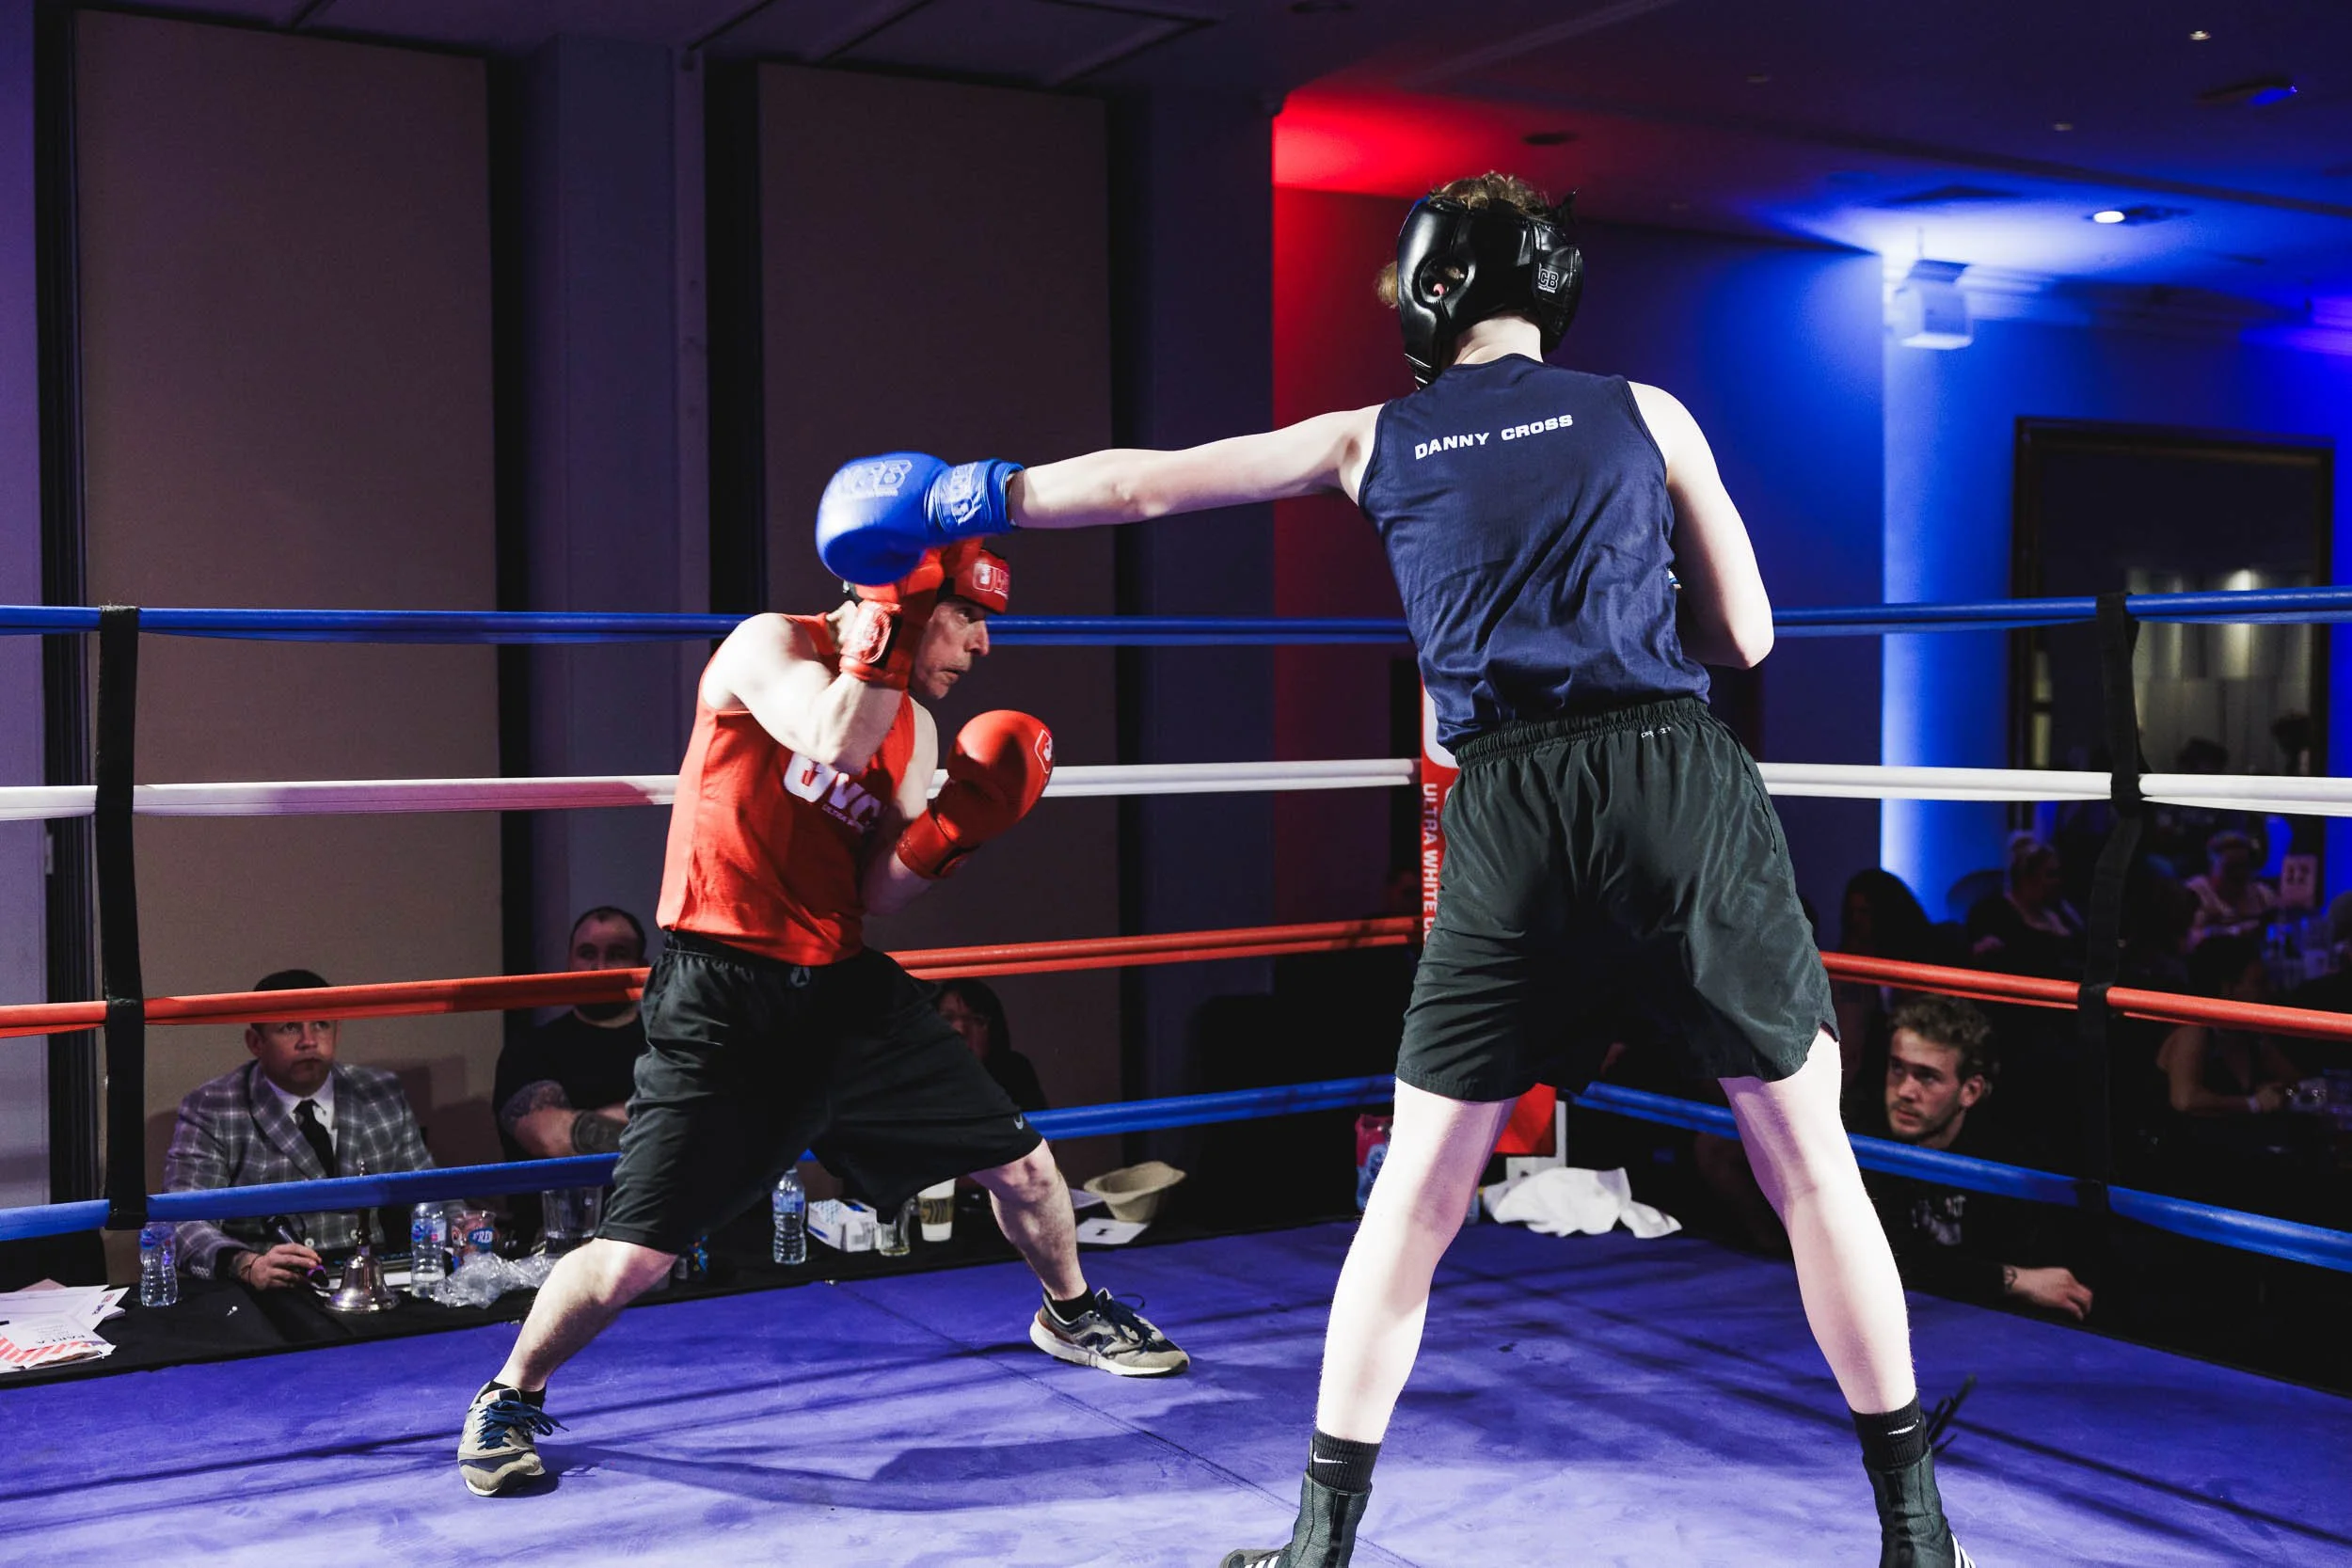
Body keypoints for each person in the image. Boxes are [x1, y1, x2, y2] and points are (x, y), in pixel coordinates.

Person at [813, 172, 1969, 1567]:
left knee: (1420, 1187)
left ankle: (1317, 1544)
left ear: (1428, 294)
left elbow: (1149, 485)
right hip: (1677, 783)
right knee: (1811, 1161)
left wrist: (968, 493)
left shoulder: (1371, 434)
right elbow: (1751, 637)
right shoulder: (1647, 409)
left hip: (1510, 806)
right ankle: (1918, 1537)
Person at [457, 540, 1188, 1499]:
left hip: (841, 987)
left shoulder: (919, 731)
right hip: (720, 996)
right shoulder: (769, 645)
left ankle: (1071, 1309)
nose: (979, 647)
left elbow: (879, 889)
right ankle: (509, 1392)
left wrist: (951, 832)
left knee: (1024, 1161)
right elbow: (831, 736)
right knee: (635, 1252)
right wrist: (883, 625)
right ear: (908, 598)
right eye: (967, 617)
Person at [163, 970, 434, 1291]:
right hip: (272, 1288)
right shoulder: (214, 1106)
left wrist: (465, 1227)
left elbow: (430, 1194)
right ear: (255, 1042)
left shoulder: (380, 1091)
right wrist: (246, 1264)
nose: (309, 1041)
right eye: (290, 1027)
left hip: (374, 1280)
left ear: (337, 1031)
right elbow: (181, 1222)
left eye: (321, 1024)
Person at [1865, 996, 2092, 1322]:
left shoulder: (2005, 1158)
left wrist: (2003, 1280)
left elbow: (2047, 1277)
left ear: (1970, 1091)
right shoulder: (1862, 1135)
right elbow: (1881, 1261)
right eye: (1897, 1068)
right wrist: (2008, 1279)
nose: (1905, 1091)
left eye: (1927, 1077)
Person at [494, 907, 652, 1161]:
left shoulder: (670, 1047)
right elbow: (551, 1140)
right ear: (569, 964)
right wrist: (658, 1122)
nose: (599, 969)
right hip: (561, 1201)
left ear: (641, 967)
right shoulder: (529, 1049)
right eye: (587, 954)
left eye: (617, 954)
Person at [1965, 832, 2084, 977]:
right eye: (2050, 875)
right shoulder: (1992, 913)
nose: (2057, 882)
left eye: (2058, 874)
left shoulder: (2062, 912)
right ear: (2026, 877)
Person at [935, 976, 1048, 1113]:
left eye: (976, 1020)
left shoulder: (1016, 1072)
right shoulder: (916, 1076)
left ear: (994, 1031)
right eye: (947, 1018)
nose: (960, 1029)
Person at [2185, 830, 2278, 947]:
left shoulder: (2263, 895)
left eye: (2243, 866)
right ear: (2213, 865)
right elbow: (2187, 940)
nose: (2239, 874)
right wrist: (2231, 933)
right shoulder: (2196, 893)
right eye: (2232, 867)